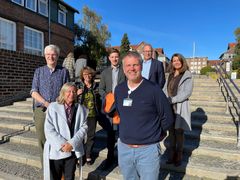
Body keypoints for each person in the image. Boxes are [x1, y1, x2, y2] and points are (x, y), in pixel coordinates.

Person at [114, 51, 174, 180]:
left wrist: (158, 133)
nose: (132, 68)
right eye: (128, 65)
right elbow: (120, 114)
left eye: (135, 65)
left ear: (141, 66)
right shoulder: (119, 90)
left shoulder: (153, 89)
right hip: (124, 149)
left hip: (148, 150)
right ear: (123, 69)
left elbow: (167, 117)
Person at [31, 44, 69, 166]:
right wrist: (47, 104)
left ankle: (58, 169)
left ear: (57, 56)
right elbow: (33, 91)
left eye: (53, 54)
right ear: (44, 56)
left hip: (58, 111)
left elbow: (67, 91)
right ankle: (46, 170)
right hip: (41, 111)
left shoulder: (63, 72)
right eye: (48, 54)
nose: (50, 57)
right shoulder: (39, 71)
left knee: (58, 139)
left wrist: (57, 104)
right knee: (42, 140)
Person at [43, 82, 88, 180]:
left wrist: (71, 144)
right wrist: (63, 145)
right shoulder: (53, 107)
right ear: (63, 93)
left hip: (72, 150)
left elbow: (84, 128)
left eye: (74, 91)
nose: (71, 94)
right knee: (55, 177)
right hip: (57, 149)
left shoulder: (81, 109)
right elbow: (49, 129)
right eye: (69, 91)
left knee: (69, 177)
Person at [163, 53, 193, 167]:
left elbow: (187, 92)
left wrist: (172, 100)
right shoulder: (170, 75)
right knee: (171, 131)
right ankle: (171, 154)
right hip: (169, 107)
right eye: (174, 60)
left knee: (179, 132)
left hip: (179, 106)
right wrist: (163, 99)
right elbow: (165, 89)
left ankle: (179, 155)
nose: (176, 62)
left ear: (182, 61)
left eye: (178, 60)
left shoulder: (187, 75)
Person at [98, 48, 125, 169]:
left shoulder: (124, 71)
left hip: (121, 106)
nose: (114, 59)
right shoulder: (105, 72)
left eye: (116, 56)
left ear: (119, 58)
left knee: (121, 133)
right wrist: (107, 97)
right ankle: (109, 158)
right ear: (109, 58)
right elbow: (101, 89)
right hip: (109, 106)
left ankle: (122, 159)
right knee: (110, 133)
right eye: (112, 57)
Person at [75, 66, 101, 165]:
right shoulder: (78, 85)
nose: (87, 76)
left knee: (91, 135)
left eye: (89, 74)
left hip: (92, 114)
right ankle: (80, 155)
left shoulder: (96, 86)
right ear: (82, 75)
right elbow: (70, 97)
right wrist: (76, 94)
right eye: (85, 74)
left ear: (92, 75)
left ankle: (88, 154)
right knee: (80, 136)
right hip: (80, 114)